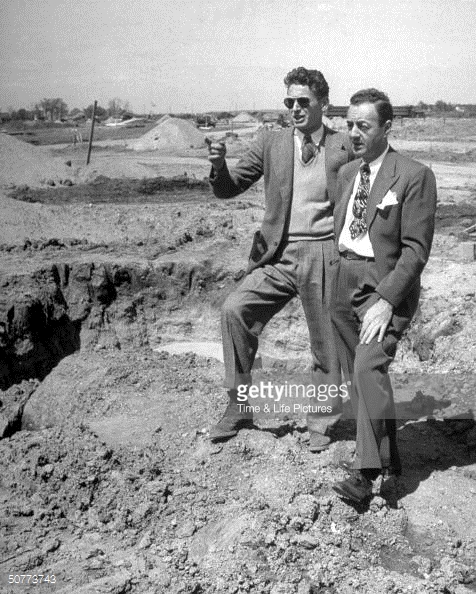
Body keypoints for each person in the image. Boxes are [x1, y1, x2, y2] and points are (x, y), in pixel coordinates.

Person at [207, 67, 354, 450]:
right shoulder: (270, 142)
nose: (295, 108)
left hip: (325, 253)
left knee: (327, 344)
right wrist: (219, 167)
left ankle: (322, 420)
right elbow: (229, 189)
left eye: (304, 101)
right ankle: (239, 406)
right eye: (290, 101)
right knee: (235, 311)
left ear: (324, 103)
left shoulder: (344, 145)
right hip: (277, 254)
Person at [330, 89, 437, 503]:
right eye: (350, 125)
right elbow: (343, 230)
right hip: (344, 282)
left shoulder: (414, 175)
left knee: (367, 366)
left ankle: (366, 473)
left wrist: (388, 300)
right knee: (361, 378)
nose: (354, 133)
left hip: (385, 286)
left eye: (364, 125)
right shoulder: (346, 173)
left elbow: (415, 250)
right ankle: (389, 455)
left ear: (387, 127)